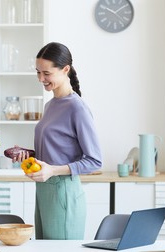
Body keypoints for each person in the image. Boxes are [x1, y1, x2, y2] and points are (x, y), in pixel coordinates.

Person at [17, 42, 102, 240]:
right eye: (38, 72)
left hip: (64, 192)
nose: (41, 79)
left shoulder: (77, 108)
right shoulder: (50, 105)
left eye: (46, 73)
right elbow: (57, 151)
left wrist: (52, 170)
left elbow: (94, 161)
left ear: (65, 70)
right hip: (44, 191)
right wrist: (30, 155)